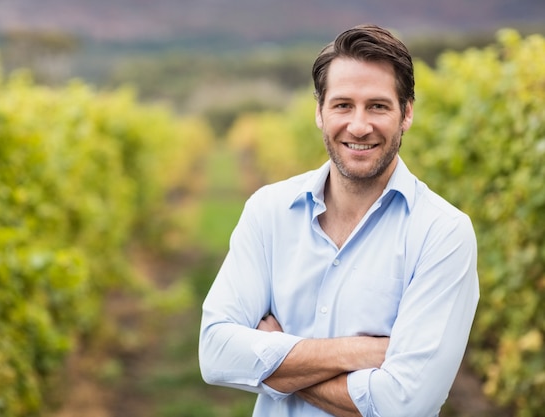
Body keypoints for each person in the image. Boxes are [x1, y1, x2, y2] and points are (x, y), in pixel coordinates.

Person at [198, 24, 479, 417]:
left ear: (407, 113)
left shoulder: (442, 233)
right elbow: (215, 353)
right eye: (343, 105)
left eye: (378, 106)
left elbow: (405, 404)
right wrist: (360, 352)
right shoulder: (268, 211)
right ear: (319, 111)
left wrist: (276, 356)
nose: (359, 126)